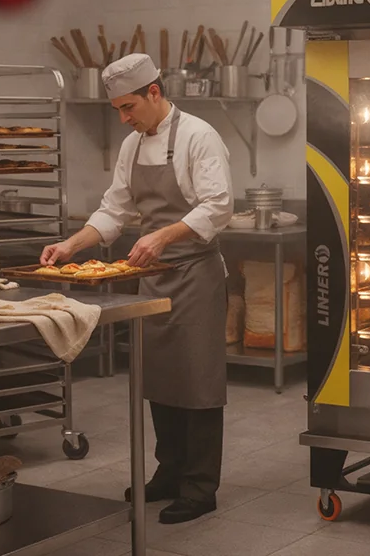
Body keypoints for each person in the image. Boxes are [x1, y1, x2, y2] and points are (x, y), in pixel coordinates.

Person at [40, 53, 233, 524]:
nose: (125, 119)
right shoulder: (131, 146)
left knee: (197, 380)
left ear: (154, 91)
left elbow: (219, 204)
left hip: (195, 274)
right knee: (159, 378)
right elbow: (113, 211)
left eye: (129, 107)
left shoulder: (198, 136)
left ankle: (200, 487)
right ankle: (169, 472)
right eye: (118, 112)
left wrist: (165, 234)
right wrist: (72, 243)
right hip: (152, 277)